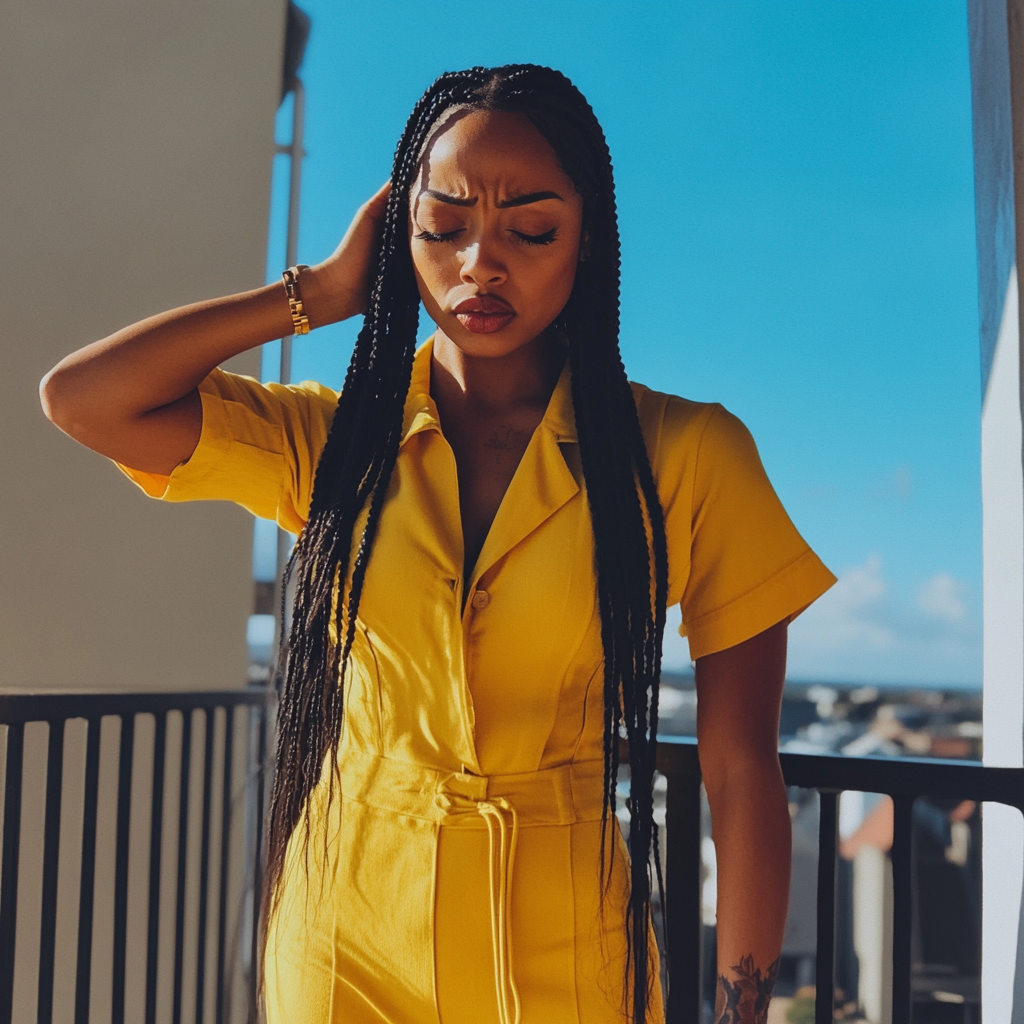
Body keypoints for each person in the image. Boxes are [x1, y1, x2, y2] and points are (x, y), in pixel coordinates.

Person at [40, 64, 835, 1024]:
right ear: (401, 240)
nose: (479, 266)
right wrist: (321, 291)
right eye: (444, 226)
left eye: (531, 230)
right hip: (345, 935)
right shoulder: (334, 448)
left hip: (565, 947)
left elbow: (741, 769)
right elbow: (87, 400)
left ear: (588, 240)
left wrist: (744, 1015)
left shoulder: (687, 456)